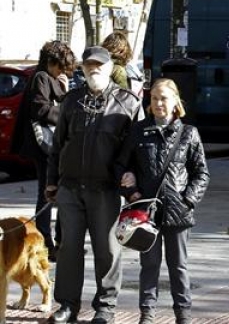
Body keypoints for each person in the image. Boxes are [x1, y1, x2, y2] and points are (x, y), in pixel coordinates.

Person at [45, 45, 142, 324]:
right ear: (82, 68)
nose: (94, 69)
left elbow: (138, 152)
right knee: (68, 248)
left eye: (99, 64)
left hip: (106, 190)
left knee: (108, 251)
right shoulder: (71, 101)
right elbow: (57, 146)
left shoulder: (128, 103)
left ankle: (105, 308)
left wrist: (134, 185)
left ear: (110, 67)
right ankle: (67, 305)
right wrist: (52, 182)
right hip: (71, 188)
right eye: (89, 65)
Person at [118, 78, 209, 324]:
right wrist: (131, 191)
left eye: (164, 98)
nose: (159, 103)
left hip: (178, 210)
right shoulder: (138, 130)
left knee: (178, 266)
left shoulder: (189, 133)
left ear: (176, 102)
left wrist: (188, 200)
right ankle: (147, 314)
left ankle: (183, 314)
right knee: (149, 265)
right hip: (146, 212)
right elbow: (121, 166)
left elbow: (201, 172)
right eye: (155, 98)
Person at [11, 40, 76, 260]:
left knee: (51, 191)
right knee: (47, 192)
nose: (62, 71)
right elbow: (40, 108)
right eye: (59, 67)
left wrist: (64, 90)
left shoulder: (48, 77)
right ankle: (46, 243)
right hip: (44, 146)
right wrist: (67, 114)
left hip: (48, 145)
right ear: (50, 62)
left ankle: (54, 241)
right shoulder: (41, 77)